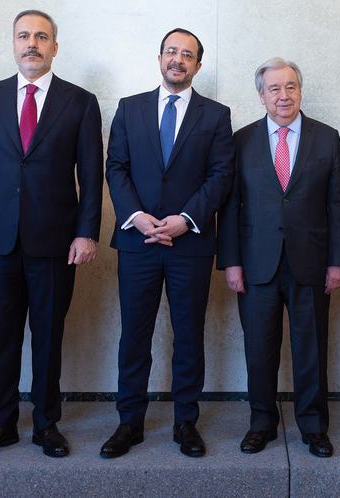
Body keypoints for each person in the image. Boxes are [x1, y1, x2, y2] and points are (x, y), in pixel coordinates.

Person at [0, 9, 104, 459]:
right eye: (24, 36)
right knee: (1, 336)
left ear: (55, 47)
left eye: (41, 37)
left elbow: (92, 176)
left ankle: (46, 424)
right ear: (13, 43)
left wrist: (86, 233)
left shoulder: (80, 101)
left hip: (56, 242)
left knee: (47, 336)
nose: (32, 44)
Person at [101, 28, 234, 459]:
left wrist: (185, 219)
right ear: (159, 57)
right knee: (134, 335)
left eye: (187, 54)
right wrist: (137, 218)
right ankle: (129, 423)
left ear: (198, 64)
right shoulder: (129, 108)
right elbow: (116, 168)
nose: (178, 59)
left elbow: (220, 176)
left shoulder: (216, 115)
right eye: (171, 52)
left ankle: (185, 422)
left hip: (189, 244)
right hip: (138, 242)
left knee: (188, 335)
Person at [217, 58, 340, 458]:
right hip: (256, 264)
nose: (283, 95)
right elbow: (231, 207)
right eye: (274, 89)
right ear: (261, 96)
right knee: (260, 348)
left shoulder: (326, 137)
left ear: (300, 90)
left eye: (290, 86)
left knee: (311, 347)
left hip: (311, 262)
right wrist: (232, 262)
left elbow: (339, 204)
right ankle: (262, 423)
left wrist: (338, 260)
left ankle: (313, 426)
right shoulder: (240, 141)